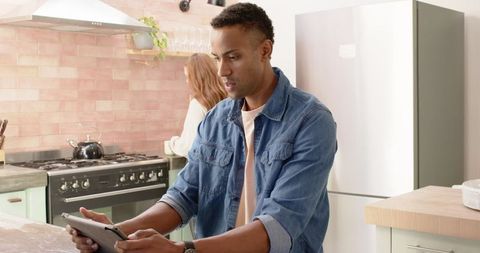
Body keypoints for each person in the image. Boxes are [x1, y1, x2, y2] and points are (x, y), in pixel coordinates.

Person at [68, 3, 337, 253]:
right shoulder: (216, 119)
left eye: (233, 57)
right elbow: (183, 197)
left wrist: (182, 249)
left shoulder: (311, 121)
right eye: (217, 58)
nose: (221, 71)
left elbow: (278, 227)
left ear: (265, 51)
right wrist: (115, 232)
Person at [167, 53, 227, 157]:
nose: (187, 81)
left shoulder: (198, 104)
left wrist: (173, 143)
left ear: (197, 78)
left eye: (188, 77)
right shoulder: (228, 98)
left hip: (206, 169)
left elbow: (189, 147)